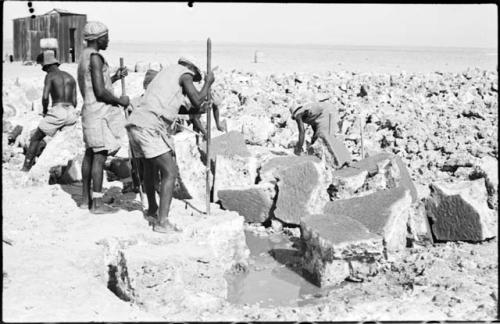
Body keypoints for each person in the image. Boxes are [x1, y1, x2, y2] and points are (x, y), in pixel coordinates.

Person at [126, 57, 214, 233]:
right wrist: (208, 82)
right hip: (150, 127)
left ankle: (152, 210)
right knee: (170, 171)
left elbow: (186, 107)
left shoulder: (166, 74)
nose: (193, 80)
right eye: (195, 77)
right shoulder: (184, 74)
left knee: (150, 169)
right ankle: (162, 222)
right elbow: (196, 100)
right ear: (191, 69)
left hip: (136, 123)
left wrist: (203, 106)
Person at [77, 21, 129, 214]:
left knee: (90, 154)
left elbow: (94, 84)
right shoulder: (96, 57)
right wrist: (120, 101)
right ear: (99, 38)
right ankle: (98, 205)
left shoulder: (84, 56)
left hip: (89, 111)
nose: (108, 40)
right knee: (100, 156)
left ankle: (85, 200)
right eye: (106, 37)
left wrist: (114, 77)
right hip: (99, 113)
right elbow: (100, 92)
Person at [21, 50, 78, 171]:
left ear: (47, 65)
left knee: (36, 138)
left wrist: (46, 110)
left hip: (58, 109)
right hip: (72, 111)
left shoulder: (50, 76)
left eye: (43, 67)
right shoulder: (70, 77)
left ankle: (26, 167)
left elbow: (45, 97)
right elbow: (75, 101)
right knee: (64, 143)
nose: (43, 69)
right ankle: (65, 171)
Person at [290, 101, 352, 168]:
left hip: (326, 113)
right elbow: (315, 126)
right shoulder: (306, 111)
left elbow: (302, 132)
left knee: (325, 139)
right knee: (323, 138)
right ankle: (342, 160)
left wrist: (299, 149)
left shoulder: (298, 115)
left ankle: (337, 163)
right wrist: (313, 141)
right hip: (329, 110)